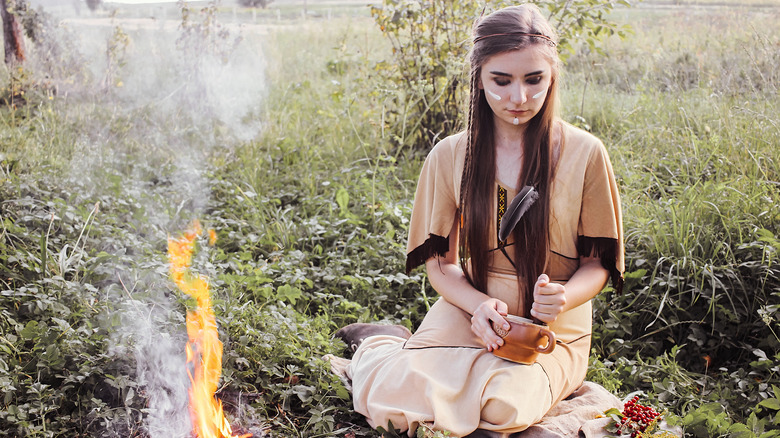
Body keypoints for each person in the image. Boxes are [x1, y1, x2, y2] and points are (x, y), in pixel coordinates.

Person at [334, 4, 624, 436]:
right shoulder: (450, 155)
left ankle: (499, 376)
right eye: (501, 81)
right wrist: (477, 306)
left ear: (552, 77)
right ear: (479, 78)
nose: (518, 98)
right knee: (392, 402)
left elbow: (597, 263)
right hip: (471, 308)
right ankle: (380, 344)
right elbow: (441, 265)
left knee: (505, 407)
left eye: (534, 80)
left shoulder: (586, 153)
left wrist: (563, 296)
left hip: (551, 325)